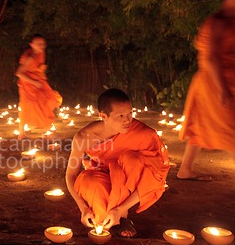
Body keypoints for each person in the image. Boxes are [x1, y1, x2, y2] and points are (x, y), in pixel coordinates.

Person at [65, 89, 170, 236]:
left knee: (132, 159)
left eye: (130, 114)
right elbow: (71, 175)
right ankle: (114, 219)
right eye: (120, 116)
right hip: (100, 174)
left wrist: (121, 209)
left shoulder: (142, 133)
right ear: (103, 116)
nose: (127, 120)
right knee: (89, 181)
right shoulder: (83, 138)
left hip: (127, 178)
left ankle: (122, 214)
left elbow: (156, 175)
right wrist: (83, 208)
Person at [177, 0, 235, 181]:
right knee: (231, 128)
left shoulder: (231, 21)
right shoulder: (218, 22)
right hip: (214, 82)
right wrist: (223, 90)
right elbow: (209, 58)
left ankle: (185, 169)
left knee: (199, 127)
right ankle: (185, 168)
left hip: (221, 81)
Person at [16, 34, 62, 139]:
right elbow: (19, 73)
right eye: (39, 44)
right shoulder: (30, 57)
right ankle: (21, 134)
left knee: (47, 102)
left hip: (39, 82)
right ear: (31, 45)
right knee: (26, 107)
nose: (42, 46)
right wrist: (34, 82)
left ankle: (49, 131)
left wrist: (38, 81)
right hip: (28, 85)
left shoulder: (41, 53)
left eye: (43, 44)